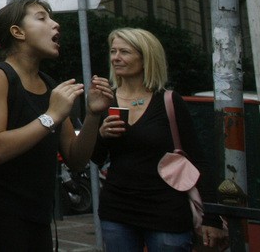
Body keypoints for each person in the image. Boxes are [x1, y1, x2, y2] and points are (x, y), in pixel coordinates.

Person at [0, 0, 111, 252]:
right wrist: (51, 116)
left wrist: (92, 115)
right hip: (1, 216)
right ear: (18, 32)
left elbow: (76, 159)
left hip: (39, 218)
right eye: (42, 18)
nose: (55, 24)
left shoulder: (49, 85)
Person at [93, 27, 225, 251]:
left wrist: (211, 217)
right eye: (113, 51)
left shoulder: (169, 101)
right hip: (117, 211)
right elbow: (96, 158)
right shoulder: (106, 100)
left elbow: (197, 160)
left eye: (125, 52)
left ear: (146, 59)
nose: (116, 57)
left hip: (166, 212)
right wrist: (101, 134)